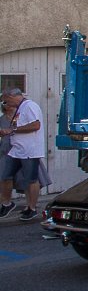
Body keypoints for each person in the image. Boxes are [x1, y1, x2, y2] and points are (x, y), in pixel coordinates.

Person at [0, 87, 45, 220]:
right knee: (5, 176)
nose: (5, 104)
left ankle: (31, 207)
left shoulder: (30, 106)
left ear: (12, 97)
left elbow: (36, 125)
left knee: (31, 179)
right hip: (16, 149)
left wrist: (13, 130)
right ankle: (7, 203)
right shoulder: (19, 109)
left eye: (6, 101)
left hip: (30, 150)